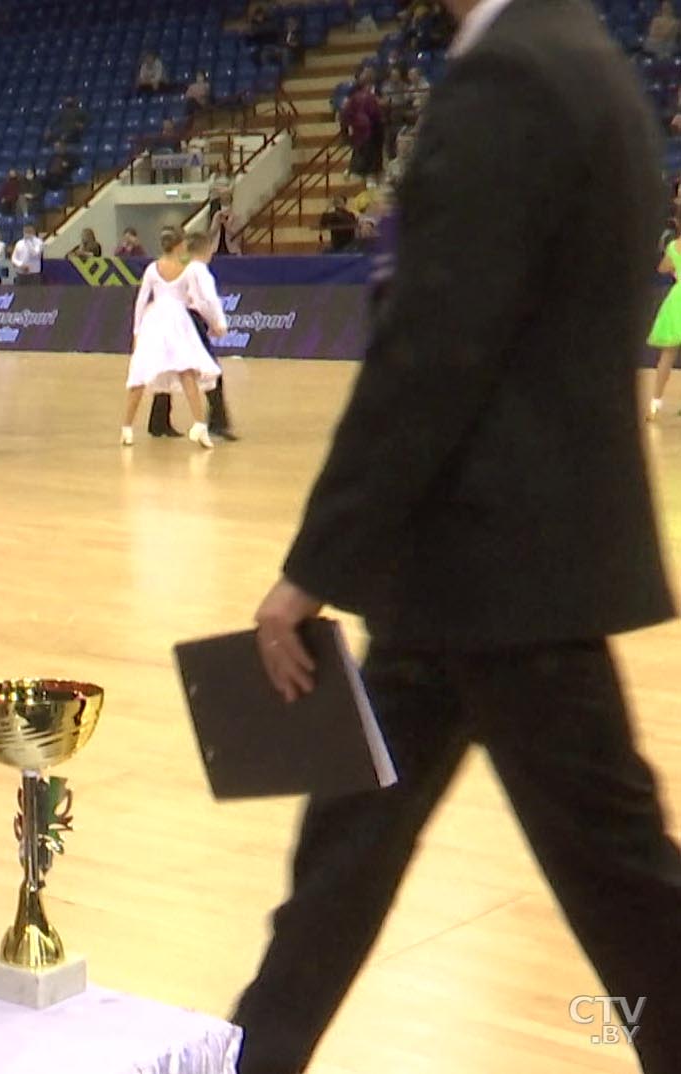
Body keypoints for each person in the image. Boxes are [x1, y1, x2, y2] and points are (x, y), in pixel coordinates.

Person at [236, 0, 681, 1070]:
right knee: (342, 862)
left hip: (500, 571)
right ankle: (252, 1057)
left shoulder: (511, 77)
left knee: (623, 895)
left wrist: (309, 569)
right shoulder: (582, 61)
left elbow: (431, 352)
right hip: (469, 578)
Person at [118, 229, 218, 448]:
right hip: (176, 321)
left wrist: (136, 332)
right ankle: (200, 424)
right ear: (178, 245)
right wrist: (213, 322)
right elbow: (199, 301)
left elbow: (141, 301)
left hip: (155, 320)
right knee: (186, 371)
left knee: (143, 372)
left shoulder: (153, 268)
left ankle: (127, 428)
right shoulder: (187, 269)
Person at [148, 231, 236, 441]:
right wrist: (218, 323)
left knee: (167, 369)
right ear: (208, 250)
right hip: (190, 322)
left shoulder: (178, 267)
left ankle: (158, 422)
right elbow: (207, 300)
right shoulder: (199, 270)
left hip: (167, 320)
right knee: (211, 370)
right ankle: (218, 422)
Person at [648, 236, 681, 419]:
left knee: (667, 356)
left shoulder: (674, 245)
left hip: (677, 300)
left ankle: (655, 402)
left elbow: (662, 268)